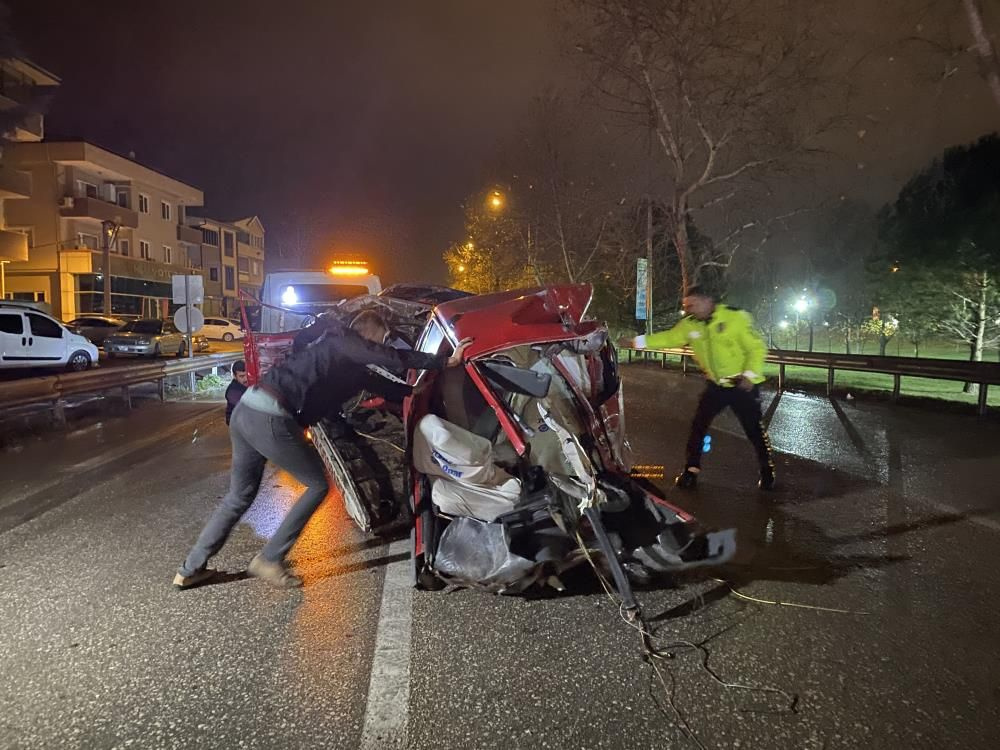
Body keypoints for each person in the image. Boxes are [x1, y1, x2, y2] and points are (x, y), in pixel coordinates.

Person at [174, 311, 472, 590]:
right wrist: (444, 363)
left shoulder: (347, 365)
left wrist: (411, 392)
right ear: (367, 334)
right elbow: (389, 356)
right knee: (317, 485)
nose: (378, 346)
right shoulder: (342, 341)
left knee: (238, 497)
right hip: (271, 416)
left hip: (247, 410)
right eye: (379, 339)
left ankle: (189, 569)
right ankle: (269, 559)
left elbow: (378, 383)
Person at [618, 286, 775, 491]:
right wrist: (635, 342)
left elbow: (756, 348)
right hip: (716, 386)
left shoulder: (734, 318)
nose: (689, 309)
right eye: (686, 306)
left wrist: (749, 375)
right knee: (698, 426)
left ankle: (767, 471)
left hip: (741, 385)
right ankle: (691, 470)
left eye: (693, 304)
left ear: (708, 300)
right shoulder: (690, 325)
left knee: (754, 430)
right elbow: (666, 338)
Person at [225, 360, 248, 426]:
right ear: (235, 376)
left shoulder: (247, 384)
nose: (245, 379)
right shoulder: (232, 391)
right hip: (236, 424)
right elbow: (245, 408)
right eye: (241, 376)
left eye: (247, 375)